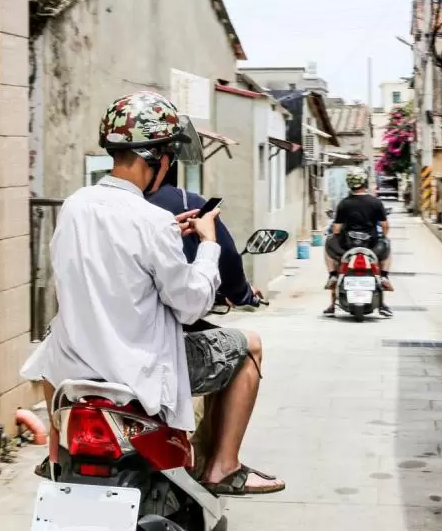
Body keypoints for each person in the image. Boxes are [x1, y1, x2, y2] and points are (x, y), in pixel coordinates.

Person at [20, 91, 284, 496]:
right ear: (157, 158)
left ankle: (57, 458)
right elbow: (192, 301)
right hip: (138, 371)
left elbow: (110, 263)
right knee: (250, 345)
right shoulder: (151, 220)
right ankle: (223, 467)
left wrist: (165, 236)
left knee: (52, 350)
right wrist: (208, 244)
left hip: (75, 368)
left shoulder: (75, 206)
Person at [146, 163, 264, 308]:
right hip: (165, 318)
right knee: (251, 333)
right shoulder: (188, 203)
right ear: (165, 162)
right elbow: (226, 260)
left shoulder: (112, 208)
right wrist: (242, 294)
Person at [323, 168, 394, 317]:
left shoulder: (344, 203)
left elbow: (336, 229)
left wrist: (340, 234)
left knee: (330, 248)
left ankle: (332, 278)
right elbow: (385, 226)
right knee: (386, 250)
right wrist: (383, 237)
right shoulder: (376, 202)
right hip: (372, 247)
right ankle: (384, 278)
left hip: (347, 247)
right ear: (365, 183)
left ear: (350, 184)